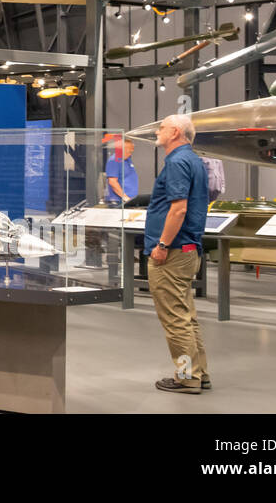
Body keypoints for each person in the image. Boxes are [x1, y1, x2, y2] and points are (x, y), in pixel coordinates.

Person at [146, 114, 211, 394]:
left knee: (174, 320)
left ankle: (186, 377)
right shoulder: (194, 160)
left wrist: (161, 245)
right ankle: (200, 373)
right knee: (186, 316)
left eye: (161, 127)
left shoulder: (176, 162)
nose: (157, 131)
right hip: (187, 249)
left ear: (174, 132)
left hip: (172, 251)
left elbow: (178, 209)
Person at [104, 135, 139, 205]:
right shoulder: (114, 160)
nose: (131, 151)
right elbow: (112, 182)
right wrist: (125, 198)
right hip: (119, 202)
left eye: (132, 149)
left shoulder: (128, 159)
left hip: (129, 201)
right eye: (129, 149)